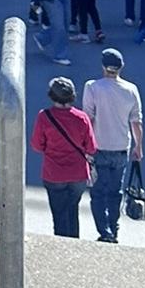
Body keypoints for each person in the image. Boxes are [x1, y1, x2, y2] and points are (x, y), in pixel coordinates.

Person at [82, 49, 143, 244]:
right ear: (121, 67)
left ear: (103, 67)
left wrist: (85, 147)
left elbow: (88, 119)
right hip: (121, 148)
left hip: (98, 147)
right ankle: (114, 228)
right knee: (115, 192)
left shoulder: (92, 87)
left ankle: (105, 231)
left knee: (98, 192)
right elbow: (136, 122)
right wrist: (138, 147)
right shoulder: (131, 89)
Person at [30, 77, 97, 238]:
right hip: (78, 174)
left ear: (52, 96)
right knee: (72, 209)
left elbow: (37, 146)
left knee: (59, 214)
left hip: (54, 174)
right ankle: (74, 241)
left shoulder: (44, 117)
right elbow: (91, 147)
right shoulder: (81, 117)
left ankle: (61, 244)